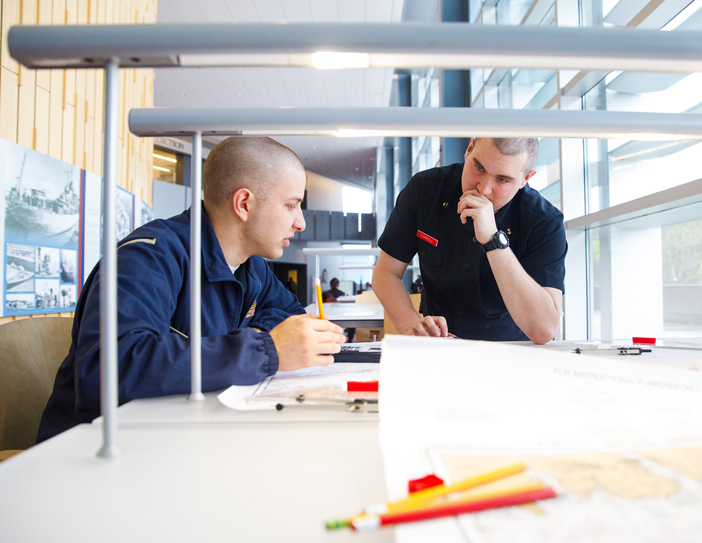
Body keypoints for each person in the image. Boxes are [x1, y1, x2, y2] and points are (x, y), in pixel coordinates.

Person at [37, 137, 346, 442]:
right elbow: (107, 370)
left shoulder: (253, 268)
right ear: (244, 204)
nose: (301, 222)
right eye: (291, 205)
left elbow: (286, 317)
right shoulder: (148, 257)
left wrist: (267, 342)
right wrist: (265, 349)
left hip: (178, 437)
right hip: (96, 453)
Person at [373, 137, 566, 345]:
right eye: (479, 168)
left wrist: (493, 240)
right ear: (469, 149)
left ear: (525, 179)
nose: (483, 189)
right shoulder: (424, 190)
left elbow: (544, 329)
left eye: (502, 179)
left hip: (510, 350)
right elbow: (386, 273)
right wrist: (412, 327)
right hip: (437, 348)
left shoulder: (544, 221)